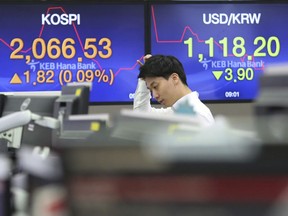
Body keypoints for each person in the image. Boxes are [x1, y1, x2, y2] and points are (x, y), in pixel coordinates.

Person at [133, 54, 214, 126]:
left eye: (155, 86)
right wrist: (144, 78)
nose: (154, 95)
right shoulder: (178, 111)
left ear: (174, 78)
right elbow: (141, 116)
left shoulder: (197, 115)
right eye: (150, 90)